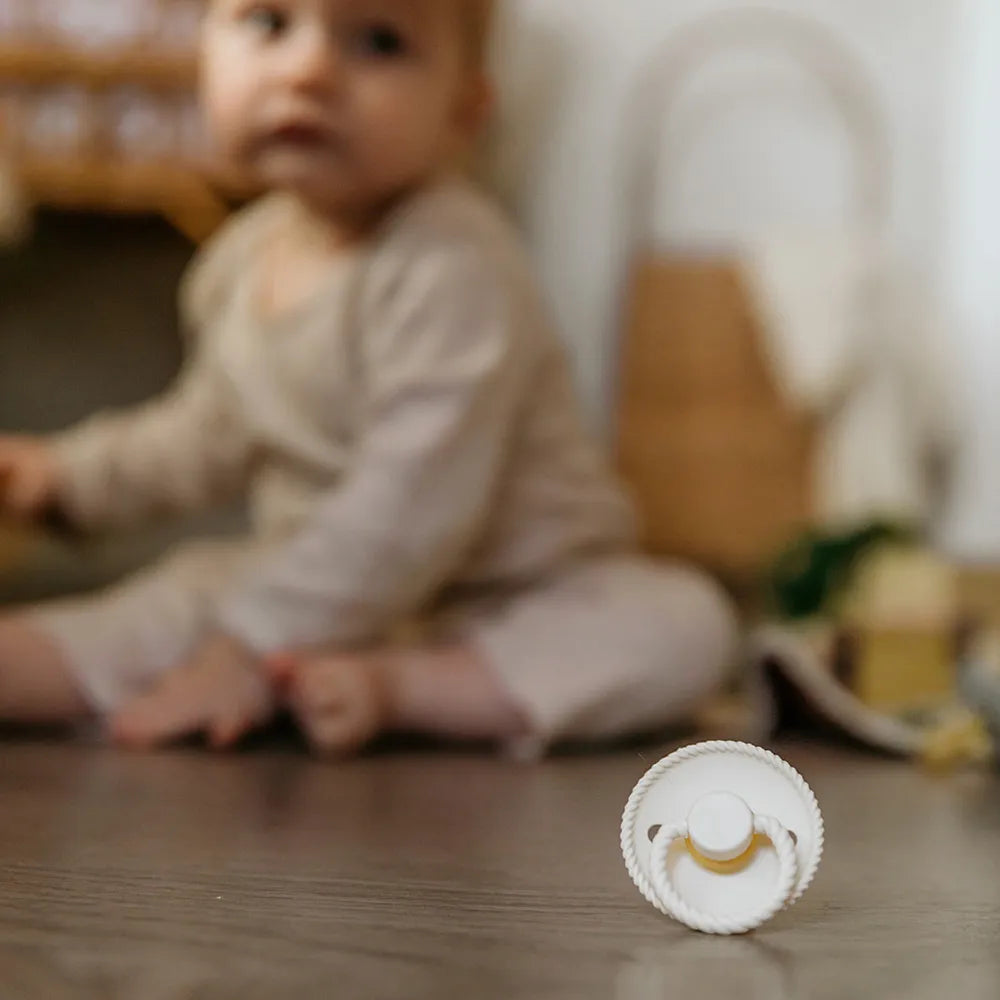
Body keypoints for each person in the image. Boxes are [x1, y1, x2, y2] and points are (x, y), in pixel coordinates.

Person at [0, 0, 736, 757]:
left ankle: (404, 688)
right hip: (310, 578)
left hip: (505, 597)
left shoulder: (454, 265)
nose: (307, 71)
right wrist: (65, 478)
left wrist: (252, 644)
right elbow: (203, 433)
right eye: (268, 23)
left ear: (463, 112)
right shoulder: (241, 261)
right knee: (169, 600)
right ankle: (46, 664)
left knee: (681, 622)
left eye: (380, 42)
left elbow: (414, 504)